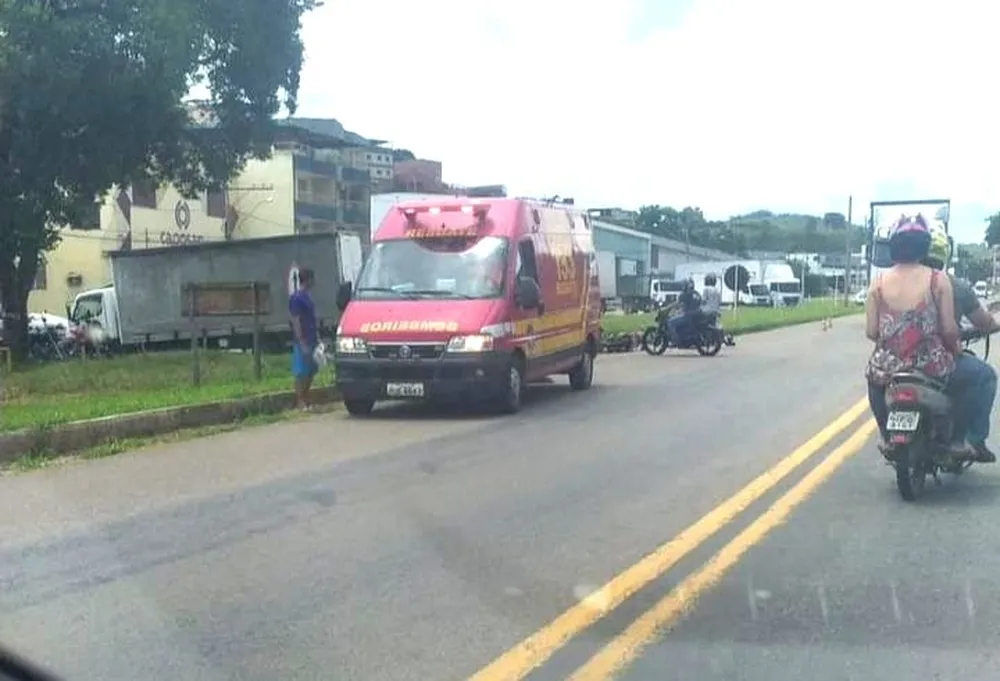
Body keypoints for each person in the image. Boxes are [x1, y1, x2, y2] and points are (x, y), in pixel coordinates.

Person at [865, 214, 970, 457]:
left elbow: (871, 332)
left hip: (888, 366)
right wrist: (956, 351)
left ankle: (885, 434)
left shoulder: (877, 283)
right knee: (971, 380)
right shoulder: (937, 279)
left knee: (873, 381)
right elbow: (949, 329)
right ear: (924, 247)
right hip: (930, 363)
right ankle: (955, 439)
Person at [922, 222, 998, 461]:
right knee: (985, 376)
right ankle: (973, 439)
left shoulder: (895, 281)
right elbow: (980, 323)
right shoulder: (954, 285)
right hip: (938, 359)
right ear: (945, 253)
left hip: (901, 360)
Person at [289, 267, 319, 410]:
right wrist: (301, 341)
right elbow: (296, 320)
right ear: (307, 280)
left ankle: (306, 397)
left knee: (311, 370)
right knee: (301, 371)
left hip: (312, 337)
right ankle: (300, 401)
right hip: (303, 339)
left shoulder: (308, 297)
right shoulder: (297, 298)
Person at [667, 278, 702, 343]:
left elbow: (677, 303)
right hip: (696, 315)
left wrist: (666, 308)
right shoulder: (697, 294)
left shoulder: (685, 294)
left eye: (684, 285)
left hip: (688, 316)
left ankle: (675, 340)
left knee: (670, 322)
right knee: (677, 316)